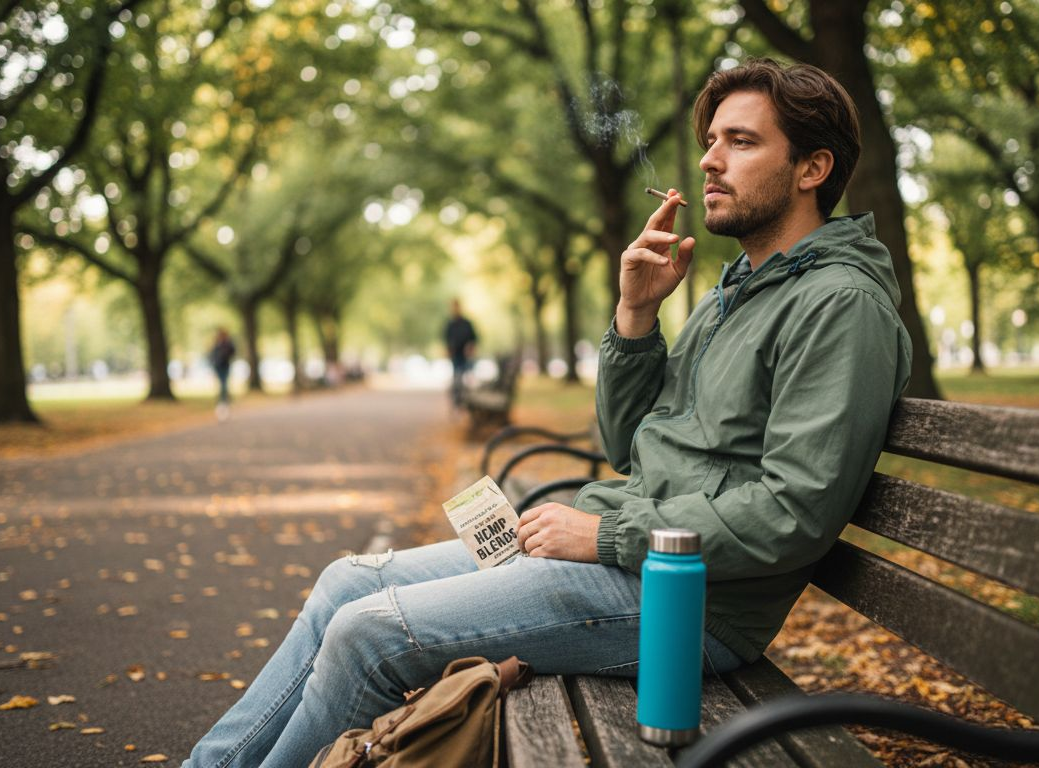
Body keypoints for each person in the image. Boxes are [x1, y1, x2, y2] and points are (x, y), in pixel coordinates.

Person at [183, 58, 912, 768]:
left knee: (367, 634)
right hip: (632, 559)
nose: (711, 161)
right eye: (711, 142)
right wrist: (635, 315)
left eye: (741, 142)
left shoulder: (838, 305)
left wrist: (605, 533)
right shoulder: (735, 293)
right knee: (348, 581)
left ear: (813, 169)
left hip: (691, 606)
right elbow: (631, 445)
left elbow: (795, 511)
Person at [443, 298, 478, 408]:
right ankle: (456, 401)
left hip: (465, 356)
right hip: (455, 356)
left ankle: (465, 400)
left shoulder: (467, 323)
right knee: (456, 378)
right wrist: (449, 350)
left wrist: (470, 347)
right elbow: (446, 339)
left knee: (466, 378)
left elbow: (474, 338)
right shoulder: (450, 324)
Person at [210, 328, 236, 420]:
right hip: (218, 367)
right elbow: (212, 354)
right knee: (222, 386)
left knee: (224, 385)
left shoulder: (228, 344)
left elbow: (233, 352)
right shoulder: (217, 344)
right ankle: (222, 403)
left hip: (225, 366)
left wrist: (225, 355)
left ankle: (224, 404)